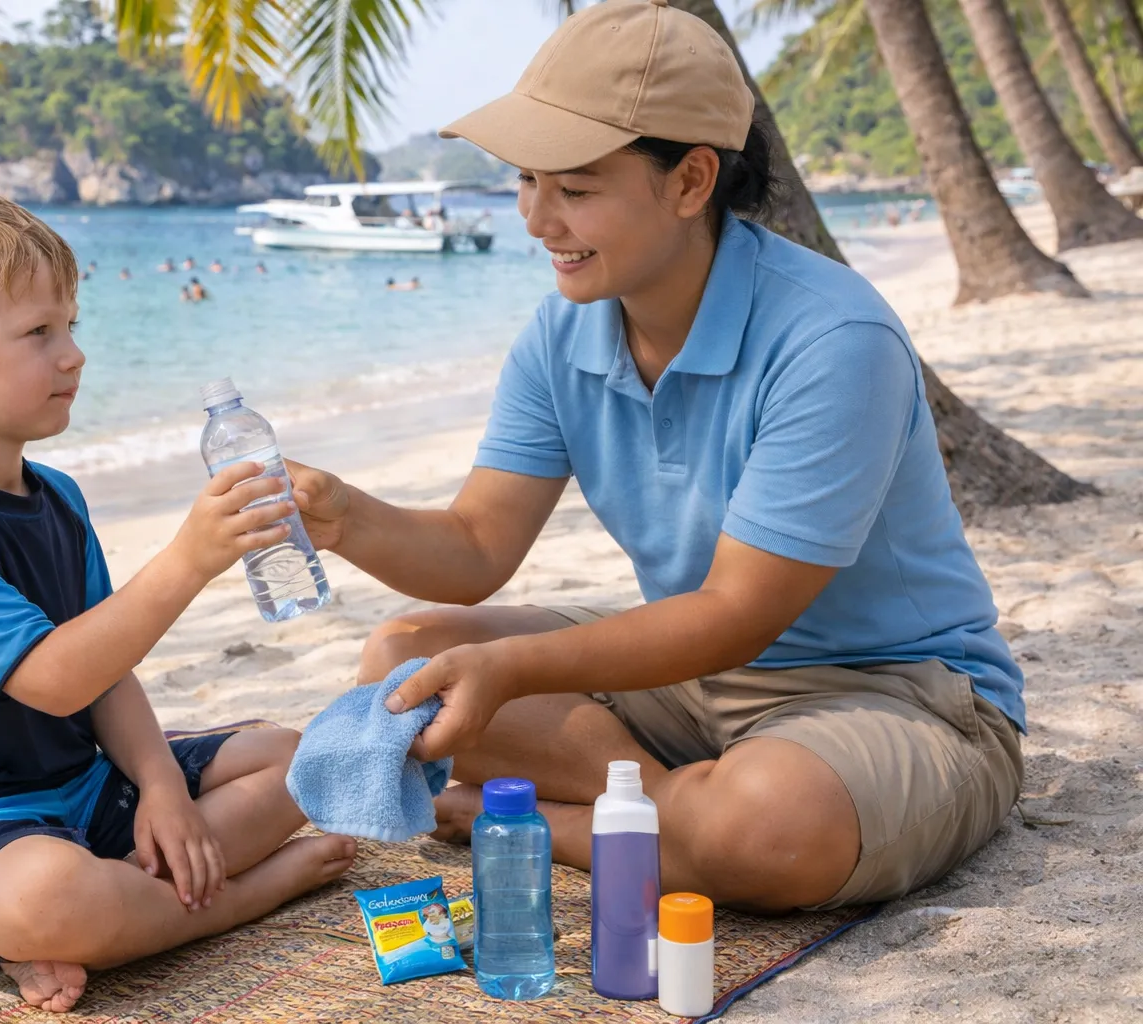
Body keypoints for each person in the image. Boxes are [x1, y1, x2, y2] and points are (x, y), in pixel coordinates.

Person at [285, 0, 1021, 916]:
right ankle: (673, 816)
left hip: (896, 694)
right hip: (690, 679)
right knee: (404, 659)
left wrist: (512, 673)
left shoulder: (834, 339)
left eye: (575, 189)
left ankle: (585, 820)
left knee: (768, 824)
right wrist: (345, 517)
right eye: (526, 181)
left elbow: (736, 615)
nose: (537, 220)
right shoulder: (563, 333)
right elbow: (475, 548)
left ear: (690, 181)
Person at [0, 190, 356, 1013]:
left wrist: (162, 787)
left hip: (80, 786)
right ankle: (235, 897)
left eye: (71, 326)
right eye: (39, 332)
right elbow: (56, 679)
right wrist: (188, 561)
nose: (73, 355)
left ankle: (113, 914)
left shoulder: (57, 497)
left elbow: (107, 672)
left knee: (297, 757)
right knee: (49, 895)